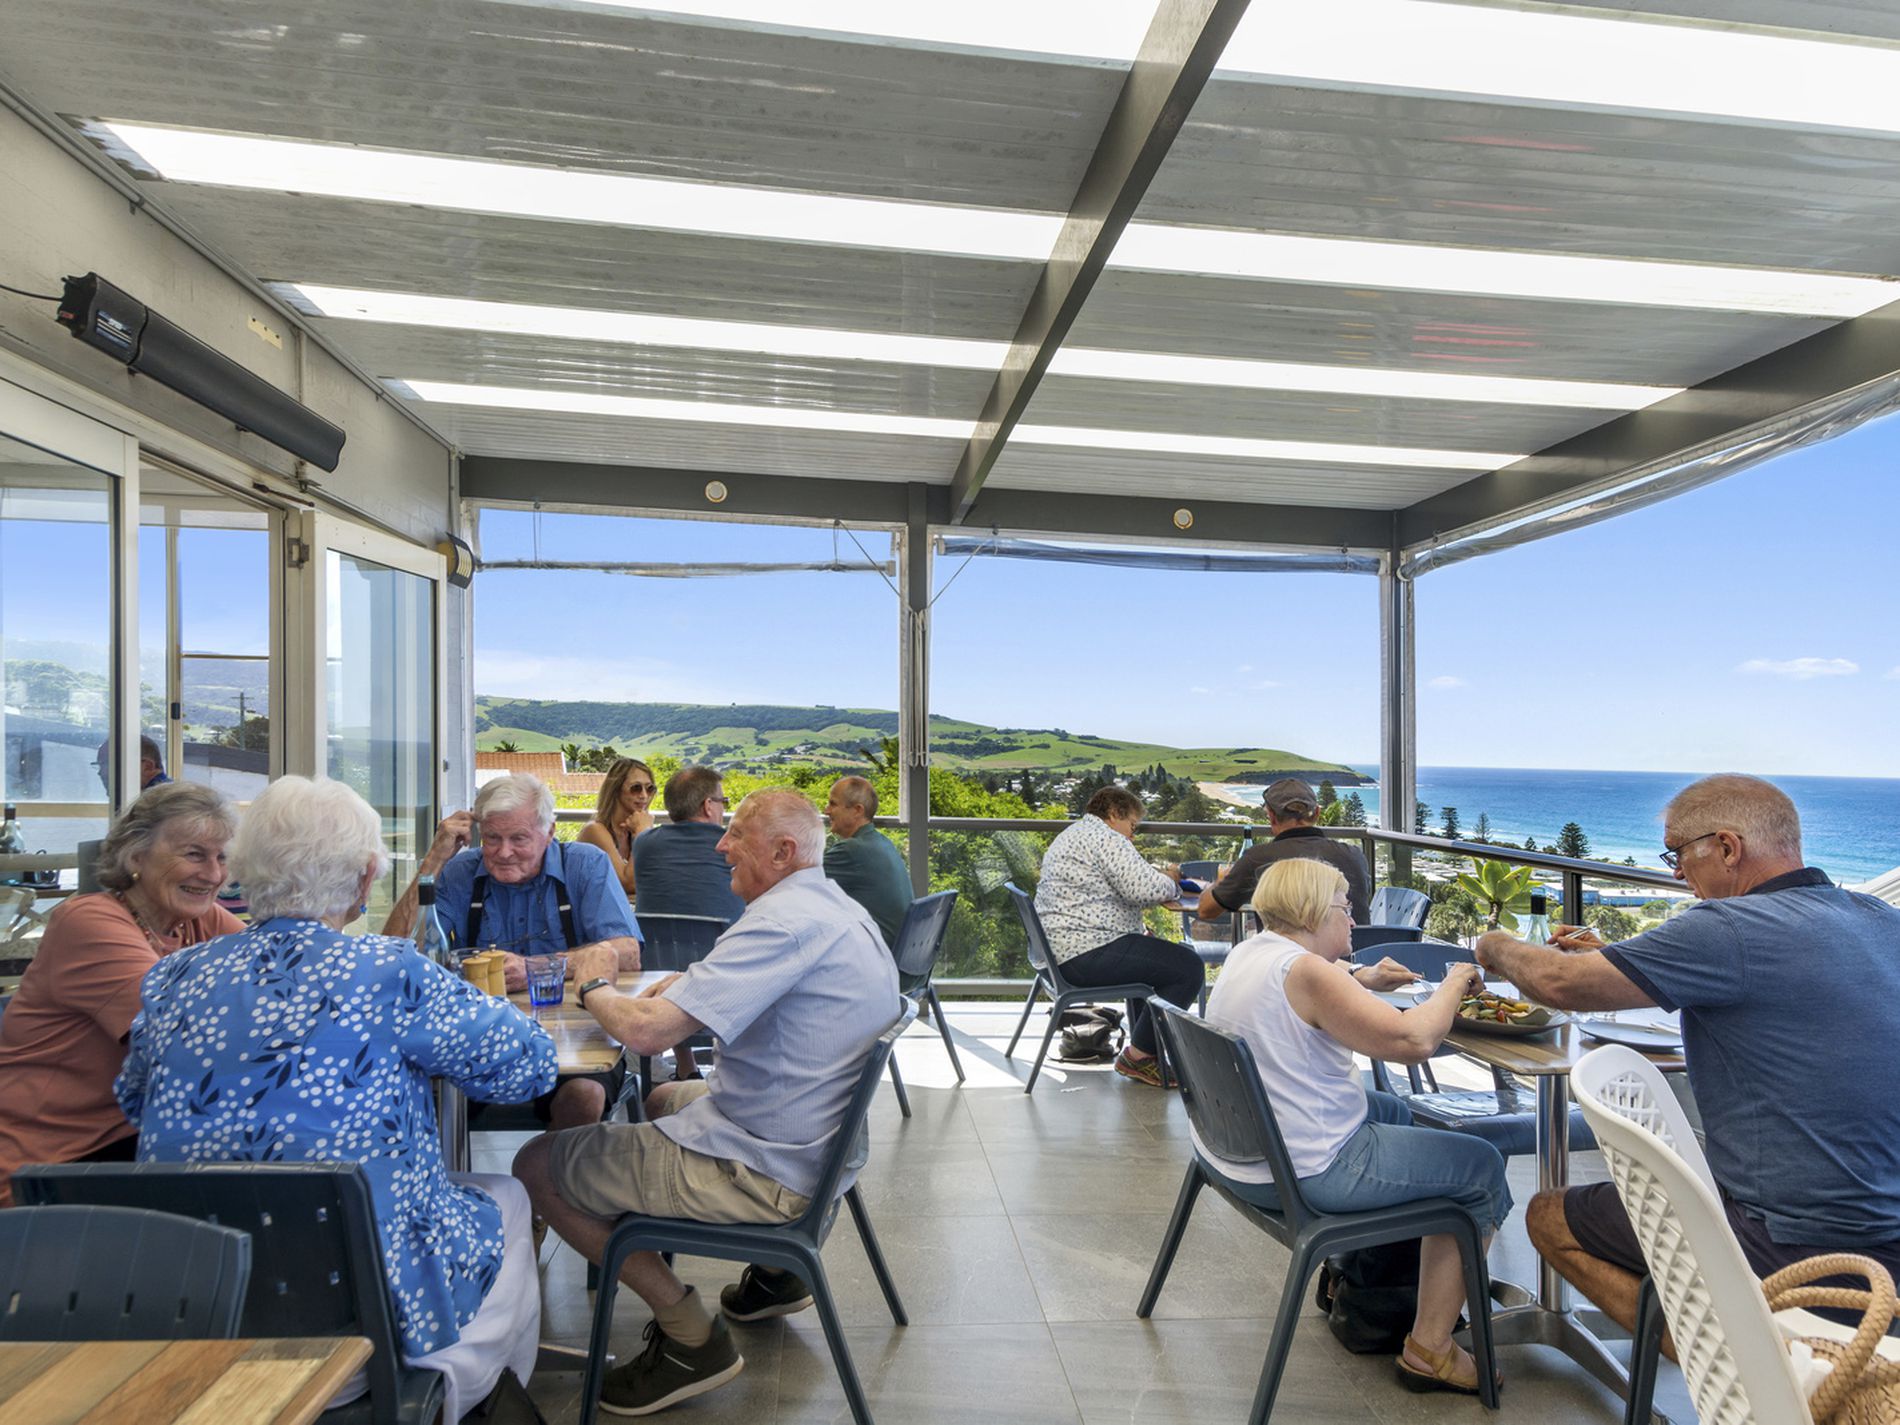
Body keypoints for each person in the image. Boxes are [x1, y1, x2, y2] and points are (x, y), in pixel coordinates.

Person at [117, 775, 558, 1422]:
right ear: (364, 878)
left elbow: (136, 1101)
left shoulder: (174, 976)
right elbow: (529, 1069)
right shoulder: (388, 971)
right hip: (359, 1323)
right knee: (509, 1196)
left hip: (197, 1313)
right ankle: (457, 1398)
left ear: (244, 870)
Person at [514, 789, 902, 1418]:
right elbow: (752, 985)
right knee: (666, 1094)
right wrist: (688, 986)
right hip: (821, 1146)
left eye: (737, 835)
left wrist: (590, 984)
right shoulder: (830, 907)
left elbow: (643, 1033)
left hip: (768, 1171)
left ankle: (689, 1336)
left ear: (782, 851)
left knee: (536, 1164)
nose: (721, 845)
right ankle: (777, 1277)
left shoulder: (782, 923)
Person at [1475, 772, 1900, 1344]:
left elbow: (1557, 982)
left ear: (1727, 847)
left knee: (1549, 1217)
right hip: (1888, 1240)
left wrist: (1492, 945)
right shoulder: (1878, 919)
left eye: (1678, 853)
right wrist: (1632, 962)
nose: (1675, 872)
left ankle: (1750, 1368)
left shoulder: (1727, 926)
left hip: (1799, 1245)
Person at [1202, 858, 1509, 1397]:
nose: (1352, 922)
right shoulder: (1309, 972)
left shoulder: (1251, 952)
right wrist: (1458, 979)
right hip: (1308, 1169)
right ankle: (1429, 1347)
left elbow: (1308, 990)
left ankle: (1370, 1273)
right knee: (1480, 1165)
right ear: (1314, 910)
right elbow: (1413, 1041)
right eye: (1346, 910)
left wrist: (1360, 978)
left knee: (1391, 1110)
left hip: (1238, 1156)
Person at [0, 783, 240, 1208]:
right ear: (136, 856)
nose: (214, 874)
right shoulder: (89, 921)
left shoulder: (195, 920)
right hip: (46, 1166)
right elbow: (184, 1044)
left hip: (130, 1144)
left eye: (221, 857)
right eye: (194, 854)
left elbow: (286, 970)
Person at [386, 772, 640, 1130]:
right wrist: (433, 861)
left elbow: (627, 953)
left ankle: (548, 1181)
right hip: (475, 1041)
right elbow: (394, 953)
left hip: (574, 1041)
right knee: (412, 1090)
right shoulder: (461, 870)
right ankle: (446, 1184)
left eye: (518, 838)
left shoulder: (585, 864)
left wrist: (534, 967)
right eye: (492, 838)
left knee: (584, 1096)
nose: (504, 852)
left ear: (550, 832)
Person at [1033, 785, 1206, 1088]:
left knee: (1154, 954)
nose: (1132, 835)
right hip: (1082, 956)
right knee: (1189, 967)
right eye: (1132, 826)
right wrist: (1173, 881)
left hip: (1056, 954)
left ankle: (1147, 1053)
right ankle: (1139, 1057)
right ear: (1114, 814)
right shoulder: (1106, 838)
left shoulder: (1074, 835)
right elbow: (1145, 889)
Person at [1198, 777, 1372, 925]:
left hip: (1288, 961)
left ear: (1271, 816)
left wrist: (1219, 882)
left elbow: (1207, 911)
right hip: (1356, 958)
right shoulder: (1353, 854)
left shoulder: (1259, 858)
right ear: (1317, 813)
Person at [632, 765, 744, 923]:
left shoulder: (644, 843)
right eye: (723, 802)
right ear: (708, 806)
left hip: (658, 946)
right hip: (725, 945)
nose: (724, 810)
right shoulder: (736, 846)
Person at [822, 775, 912, 954]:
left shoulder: (852, 850)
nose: (826, 811)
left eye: (833, 804)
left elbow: (797, 880)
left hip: (881, 962)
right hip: (905, 961)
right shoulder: (882, 842)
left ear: (857, 810)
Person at [578, 757, 657, 899]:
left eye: (650, 788)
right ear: (615, 789)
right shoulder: (595, 831)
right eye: (636, 788)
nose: (644, 796)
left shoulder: (632, 831)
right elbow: (629, 884)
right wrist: (642, 833)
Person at [92, 734, 170, 793]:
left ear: (147, 766)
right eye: (100, 765)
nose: (101, 773)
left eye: (108, 764)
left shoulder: (161, 804)